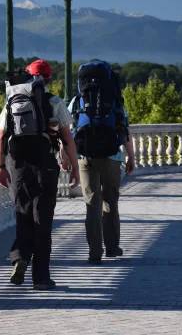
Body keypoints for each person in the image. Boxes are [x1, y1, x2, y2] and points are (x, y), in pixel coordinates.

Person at [0, 59, 79, 290]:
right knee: (42, 219)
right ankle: (41, 278)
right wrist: (75, 167)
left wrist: (1, 167)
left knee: (22, 214)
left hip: (18, 164)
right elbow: (67, 140)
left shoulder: (11, 100)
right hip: (45, 164)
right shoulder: (55, 102)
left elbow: (1, 138)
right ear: (49, 79)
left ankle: (20, 257)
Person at [61, 60, 136, 265]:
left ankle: (94, 253)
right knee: (110, 200)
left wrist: (64, 156)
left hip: (84, 157)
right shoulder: (115, 101)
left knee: (91, 203)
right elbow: (125, 131)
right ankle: (112, 247)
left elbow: (68, 132)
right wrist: (131, 157)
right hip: (111, 157)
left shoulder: (76, 102)